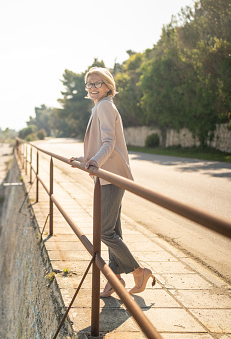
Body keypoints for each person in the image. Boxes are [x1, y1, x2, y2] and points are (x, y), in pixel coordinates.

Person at [69, 67, 155, 297]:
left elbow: (109, 141)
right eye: (89, 84)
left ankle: (138, 271)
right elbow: (102, 143)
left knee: (104, 231)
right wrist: (84, 159)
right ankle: (114, 278)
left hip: (113, 176)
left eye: (98, 83)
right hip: (109, 175)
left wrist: (95, 161)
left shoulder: (105, 106)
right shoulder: (100, 107)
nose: (93, 87)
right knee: (113, 229)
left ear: (108, 86)